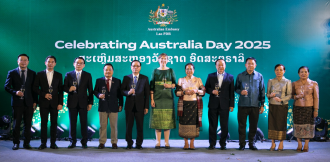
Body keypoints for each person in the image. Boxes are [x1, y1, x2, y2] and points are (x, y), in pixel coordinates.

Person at [4, 54, 38, 150]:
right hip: (17, 103)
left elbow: (34, 89)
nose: (23, 62)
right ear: (17, 61)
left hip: (29, 102)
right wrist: (15, 92)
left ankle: (26, 143)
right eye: (21, 60)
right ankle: (16, 143)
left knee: (28, 124)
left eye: (25, 60)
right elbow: (6, 87)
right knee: (16, 124)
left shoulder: (32, 73)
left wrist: (35, 101)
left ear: (28, 62)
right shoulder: (12, 72)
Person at [33, 55, 63, 150]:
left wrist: (60, 103)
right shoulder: (39, 74)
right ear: (45, 63)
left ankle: (53, 143)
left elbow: (60, 91)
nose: (50, 63)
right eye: (48, 61)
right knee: (44, 123)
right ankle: (43, 143)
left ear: (55, 64)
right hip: (43, 102)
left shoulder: (59, 75)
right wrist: (44, 94)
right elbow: (35, 88)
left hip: (55, 103)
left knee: (54, 123)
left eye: (52, 62)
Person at [234, 57, 265, 151]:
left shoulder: (259, 76)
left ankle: (252, 143)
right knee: (242, 125)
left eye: (252, 63)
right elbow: (236, 89)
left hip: (255, 105)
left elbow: (262, 90)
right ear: (245, 65)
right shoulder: (240, 76)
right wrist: (240, 92)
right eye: (248, 63)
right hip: (243, 105)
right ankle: (242, 144)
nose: (250, 65)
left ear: (255, 65)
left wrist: (262, 104)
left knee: (253, 126)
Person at [63, 57, 93, 148]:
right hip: (72, 102)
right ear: (74, 64)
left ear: (83, 65)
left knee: (84, 123)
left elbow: (90, 90)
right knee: (72, 123)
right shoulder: (68, 74)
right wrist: (69, 89)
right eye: (77, 63)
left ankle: (84, 142)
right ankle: (72, 141)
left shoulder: (87, 75)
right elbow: (63, 87)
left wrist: (90, 102)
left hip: (84, 103)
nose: (79, 64)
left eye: (81, 63)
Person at [205, 59, 234, 150]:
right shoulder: (211, 76)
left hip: (225, 105)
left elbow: (231, 92)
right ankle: (212, 143)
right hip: (213, 104)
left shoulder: (230, 77)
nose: (220, 66)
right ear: (216, 66)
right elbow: (206, 88)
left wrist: (231, 105)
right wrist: (212, 91)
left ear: (225, 66)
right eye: (219, 65)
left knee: (224, 125)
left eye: (222, 65)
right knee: (212, 125)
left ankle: (223, 143)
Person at [175, 63, 205, 150]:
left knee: (194, 123)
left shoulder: (198, 80)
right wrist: (185, 92)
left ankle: (192, 142)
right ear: (185, 70)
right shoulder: (181, 80)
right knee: (184, 123)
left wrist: (197, 91)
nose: (189, 71)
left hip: (195, 105)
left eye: (191, 69)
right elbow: (177, 93)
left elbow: (203, 92)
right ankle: (186, 143)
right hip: (184, 104)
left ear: (194, 70)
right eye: (187, 69)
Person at [121, 60, 150, 149]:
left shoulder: (144, 78)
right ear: (131, 67)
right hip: (129, 106)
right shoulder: (126, 78)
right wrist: (128, 92)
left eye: (137, 66)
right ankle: (129, 143)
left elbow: (147, 94)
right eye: (133, 66)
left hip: (140, 106)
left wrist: (146, 106)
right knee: (128, 126)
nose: (135, 68)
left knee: (140, 126)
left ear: (140, 68)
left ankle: (139, 144)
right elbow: (122, 91)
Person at [149, 53, 176, 149]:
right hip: (157, 98)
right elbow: (151, 86)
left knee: (167, 121)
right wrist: (152, 99)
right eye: (161, 59)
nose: (163, 60)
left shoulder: (171, 70)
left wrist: (170, 86)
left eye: (165, 59)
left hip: (168, 99)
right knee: (158, 121)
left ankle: (167, 142)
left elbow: (174, 84)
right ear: (158, 60)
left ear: (167, 60)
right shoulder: (155, 71)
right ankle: (158, 142)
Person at [94, 63, 123, 149]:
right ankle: (102, 142)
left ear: (112, 71)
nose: (108, 71)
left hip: (114, 106)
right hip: (103, 106)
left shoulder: (117, 81)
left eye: (110, 69)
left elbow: (120, 95)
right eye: (106, 69)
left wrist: (121, 104)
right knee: (102, 125)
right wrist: (99, 94)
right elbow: (95, 91)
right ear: (103, 71)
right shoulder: (99, 80)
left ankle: (114, 142)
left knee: (114, 126)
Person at [292, 66, 319, 152]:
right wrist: (296, 96)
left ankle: (306, 144)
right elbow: (290, 95)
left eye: (305, 72)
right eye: (301, 72)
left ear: (308, 73)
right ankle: (299, 144)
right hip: (298, 108)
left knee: (308, 127)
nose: (303, 74)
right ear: (298, 74)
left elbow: (316, 98)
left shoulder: (314, 83)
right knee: (298, 126)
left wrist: (316, 109)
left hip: (309, 108)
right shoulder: (294, 83)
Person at [266, 64, 292, 151]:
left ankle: (281, 143)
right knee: (272, 124)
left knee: (281, 124)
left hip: (282, 105)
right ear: (274, 71)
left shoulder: (287, 81)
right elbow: (267, 94)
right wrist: (270, 95)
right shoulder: (271, 81)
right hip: (273, 105)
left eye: (281, 70)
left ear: (284, 71)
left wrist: (281, 99)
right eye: (277, 70)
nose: (279, 72)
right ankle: (273, 143)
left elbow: (289, 95)